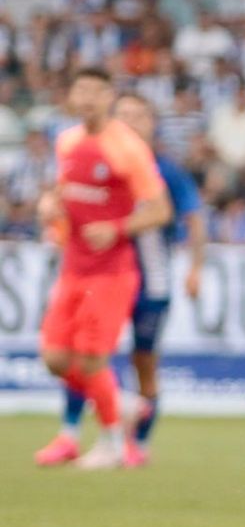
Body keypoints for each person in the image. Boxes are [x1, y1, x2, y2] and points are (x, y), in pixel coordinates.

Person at [52, 94, 206, 463]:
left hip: (151, 281)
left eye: (140, 116)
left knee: (144, 363)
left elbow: (194, 218)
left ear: (153, 124)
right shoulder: (100, 161)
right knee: (83, 353)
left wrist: (196, 267)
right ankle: (71, 433)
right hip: (105, 275)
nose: (132, 122)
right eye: (124, 115)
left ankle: (138, 443)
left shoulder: (166, 172)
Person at [33, 68, 174, 470]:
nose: (89, 97)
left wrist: (116, 228)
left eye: (97, 90)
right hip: (73, 267)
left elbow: (160, 211)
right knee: (55, 358)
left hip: (111, 272)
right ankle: (122, 403)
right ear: (73, 96)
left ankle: (112, 442)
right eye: (82, 89)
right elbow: (64, 191)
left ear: (110, 96)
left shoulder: (127, 148)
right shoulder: (68, 141)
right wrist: (49, 206)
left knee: (93, 360)